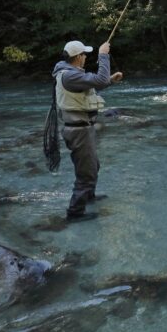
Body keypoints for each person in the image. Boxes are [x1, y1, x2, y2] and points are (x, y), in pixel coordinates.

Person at [51, 39, 123, 222]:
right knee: (86, 174)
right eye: (84, 55)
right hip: (79, 131)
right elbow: (97, 79)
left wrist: (110, 80)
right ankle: (75, 213)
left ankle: (88, 197)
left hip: (81, 129)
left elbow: (96, 83)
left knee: (92, 166)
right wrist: (103, 55)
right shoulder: (69, 76)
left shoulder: (70, 73)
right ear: (78, 57)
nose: (85, 58)